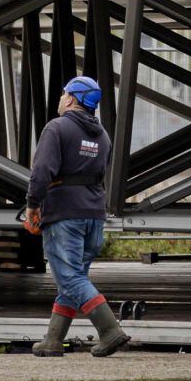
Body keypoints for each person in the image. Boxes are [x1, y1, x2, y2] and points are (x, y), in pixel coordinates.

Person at [25, 76, 129, 358]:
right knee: (73, 277)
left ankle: (109, 330)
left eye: (62, 94)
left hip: (64, 214)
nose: (60, 99)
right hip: (93, 214)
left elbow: (42, 171)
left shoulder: (57, 128)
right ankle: (53, 340)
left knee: (70, 277)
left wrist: (33, 204)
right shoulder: (103, 135)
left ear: (72, 98)